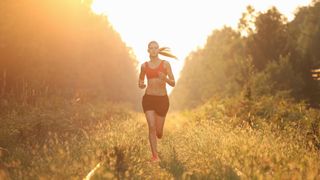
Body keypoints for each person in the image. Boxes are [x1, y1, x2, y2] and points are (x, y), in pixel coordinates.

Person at [138, 40, 176, 162]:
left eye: (156, 48)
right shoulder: (144, 66)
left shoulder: (165, 64)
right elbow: (140, 81)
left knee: (158, 132)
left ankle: (159, 134)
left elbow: (173, 82)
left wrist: (165, 78)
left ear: (158, 50)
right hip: (148, 98)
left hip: (162, 100)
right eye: (151, 48)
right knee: (151, 126)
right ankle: (155, 156)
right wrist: (141, 85)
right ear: (148, 50)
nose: (153, 50)